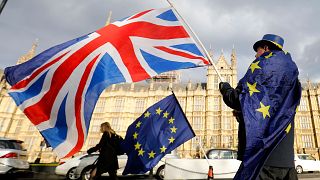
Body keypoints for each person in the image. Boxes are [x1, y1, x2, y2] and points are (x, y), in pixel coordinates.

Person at [219, 34, 301, 179]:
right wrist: (243, 114)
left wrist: (225, 88)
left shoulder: (262, 68)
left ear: (266, 48)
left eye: (257, 51)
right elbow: (273, 111)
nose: (256, 56)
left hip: (262, 158)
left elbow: (237, 99)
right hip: (286, 162)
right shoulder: (293, 77)